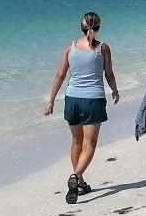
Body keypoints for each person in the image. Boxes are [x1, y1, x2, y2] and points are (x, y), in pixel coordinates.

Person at [43, 11, 120, 204]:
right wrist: (115, 90)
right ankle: (76, 176)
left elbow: (60, 75)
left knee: (76, 142)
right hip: (92, 100)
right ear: (98, 28)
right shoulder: (103, 48)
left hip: (72, 100)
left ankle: (80, 182)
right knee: (90, 145)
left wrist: (51, 100)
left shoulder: (71, 48)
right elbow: (108, 74)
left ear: (81, 27)